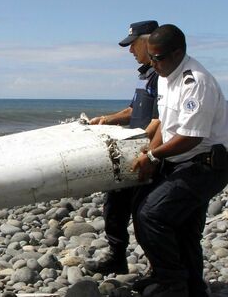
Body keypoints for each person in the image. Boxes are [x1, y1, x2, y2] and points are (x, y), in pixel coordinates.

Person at [131, 24, 228, 297]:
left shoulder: (196, 82)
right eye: (151, 58)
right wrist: (148, 155)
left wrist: (153, 155)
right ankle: (190, 286)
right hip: (182, 161)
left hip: (206, 165)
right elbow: (166, 126)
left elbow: (190, 137)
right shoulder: (165, 74)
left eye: (159, 58)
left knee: (152, 215)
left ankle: (172, 283)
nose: (153, 63)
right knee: (182, 227)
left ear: (178, 53)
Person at [85, 20, 160, 275]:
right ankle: (117, 256)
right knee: (114, 205)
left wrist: (148, 154)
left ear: (150, 42)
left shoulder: (162, 76)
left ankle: (158, 268)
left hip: (149, 154)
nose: (130, 51)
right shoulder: (144, 75)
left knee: (145, 215)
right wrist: (105, 119)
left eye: (133, 45)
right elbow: (132, 111)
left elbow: (161, 121)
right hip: (132, 150)